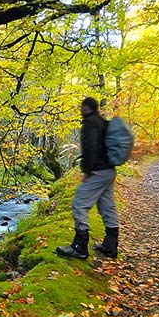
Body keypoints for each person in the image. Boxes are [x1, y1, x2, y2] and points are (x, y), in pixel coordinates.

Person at [56, 97, 120, 260]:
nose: (80, 109)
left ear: (86, 107)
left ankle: (79, 247)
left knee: (79, 204)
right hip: (109, 170)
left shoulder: (90, 123)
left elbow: (91, 148)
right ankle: (111, 246)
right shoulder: (103, 122)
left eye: (81, 107)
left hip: (98, 171)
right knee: (107, 206)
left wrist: (87, 170)